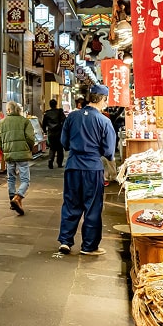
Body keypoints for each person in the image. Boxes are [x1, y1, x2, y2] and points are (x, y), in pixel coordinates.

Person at [57, 84, 117, 256]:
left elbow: (64, 142)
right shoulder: (104, 121)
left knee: (70, 203)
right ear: (103, 99)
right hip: (92, 167)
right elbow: (109, 151)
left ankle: (65, 241)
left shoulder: (72, 117)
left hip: (73, 165)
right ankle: (89, 246)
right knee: (92, 206)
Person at [0, 101, 35, 216]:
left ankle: (12, 199)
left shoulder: (2, 123)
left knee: (11, 178)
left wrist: (4, 149)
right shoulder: (24, 121)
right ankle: (18, 197)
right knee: (25, 180)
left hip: (9, 154)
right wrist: (28, 148)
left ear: (8, 110)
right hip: (22, 154)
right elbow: (30, 138)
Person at [42, 99, 66, 169]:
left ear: (50, 105)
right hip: (59, 133)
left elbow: (44, 124)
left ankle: (50, 160)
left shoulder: (47, 113)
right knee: (60, 149)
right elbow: (64, 121)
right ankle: (59, 163)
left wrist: (45, 132)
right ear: (56, 104)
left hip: (51, 133)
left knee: (52, 148)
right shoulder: (59, 112)